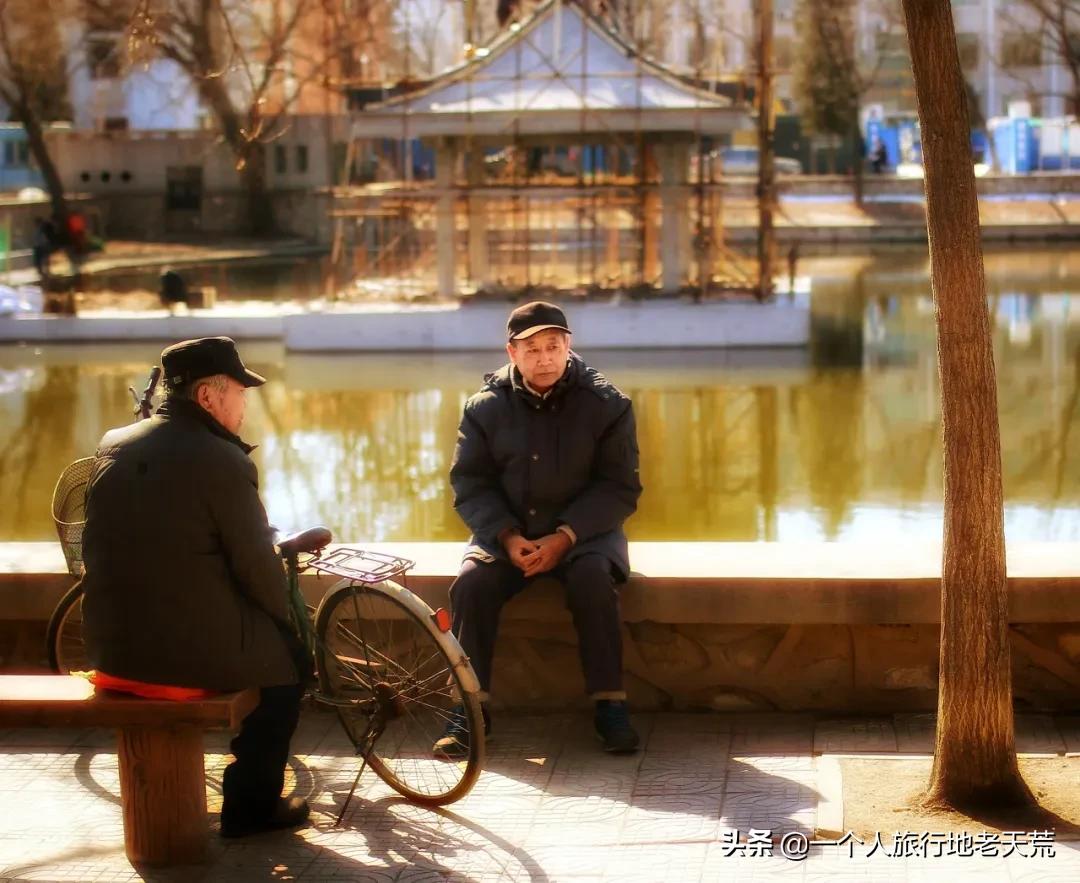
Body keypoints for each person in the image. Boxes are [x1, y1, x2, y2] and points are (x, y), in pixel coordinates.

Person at [80, 336, 310, 838]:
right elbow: (256, 567)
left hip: (109, 651)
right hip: (173, 661)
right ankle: (251, 809)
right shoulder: (222, 461)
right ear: (208, 397)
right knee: (288, 673)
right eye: (240, 392)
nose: (245, 404)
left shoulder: (113, 443)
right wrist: (286, 625)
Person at [438, 301, 643, 757]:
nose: (545, 358)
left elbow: (619, 487)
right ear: (512, 353)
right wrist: (508, 537)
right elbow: (470, 484)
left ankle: (610, 705)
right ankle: (469, 710)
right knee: (471, 584)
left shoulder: (608, 404)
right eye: (532, 349)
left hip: (585, 536)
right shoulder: (483, 408)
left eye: (554, 346)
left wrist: (565, 536)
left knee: (593, 581)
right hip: (509, 535)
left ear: (569, 347)